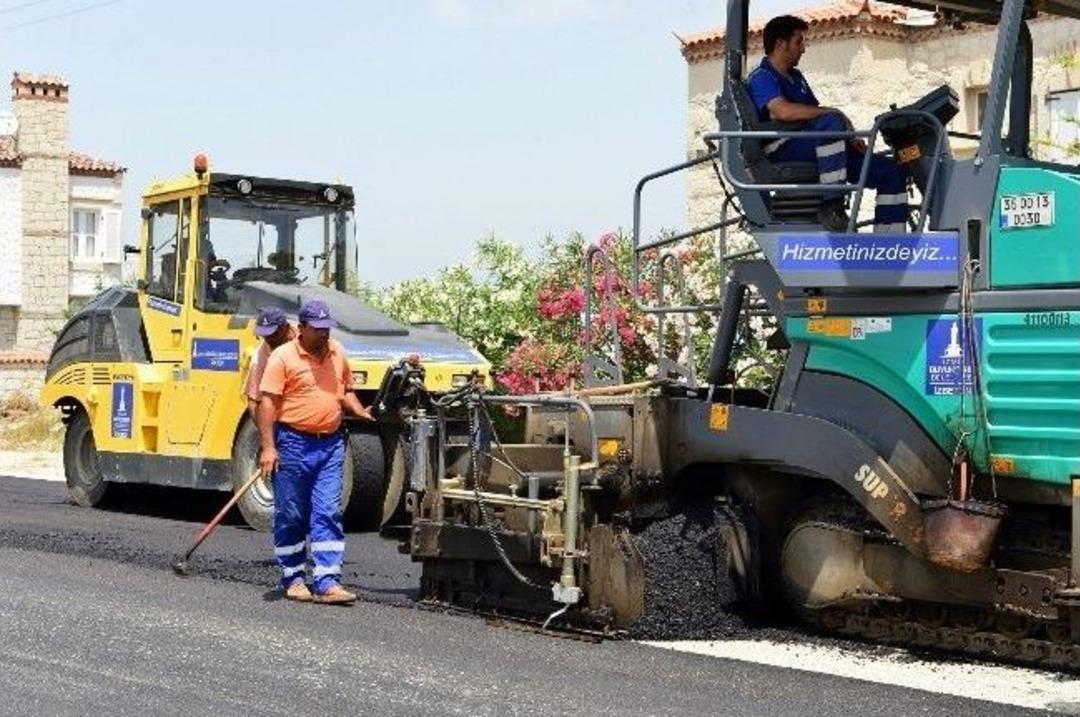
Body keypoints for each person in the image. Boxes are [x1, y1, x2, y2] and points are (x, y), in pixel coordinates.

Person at [257, 299, 374, 604]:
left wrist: (359, 411)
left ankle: (327, 581)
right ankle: (294, 578)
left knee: (327, 511)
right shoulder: (282, 357)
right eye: (318, 329)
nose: (324, 334)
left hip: (331, 444)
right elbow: (266, 402)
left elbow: (345, 390)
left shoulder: (337, 352)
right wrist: (268, 447)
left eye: (327, 328)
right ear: (303, 327)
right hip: (293, 443)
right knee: (292, 514)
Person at [747, 15, 909, 233]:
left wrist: (847, 136)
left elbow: (817, 117)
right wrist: (836, 115)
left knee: (890, 171)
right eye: (798, 42)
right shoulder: (762, 76)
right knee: (832, 120)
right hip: (787, 148)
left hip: (817, 145)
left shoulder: (797, 78)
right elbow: (782, 111)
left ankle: (891, 245)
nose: (803, 49)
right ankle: (832, 205)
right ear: (780, 44)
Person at [244, 307, 296, 420]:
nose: (268, 339)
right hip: (285, 427)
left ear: (285, 328)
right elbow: (253, 401)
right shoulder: (261, 356)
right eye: (264, 335)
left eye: (273, 334)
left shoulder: (308, 340)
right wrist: (266, 434)